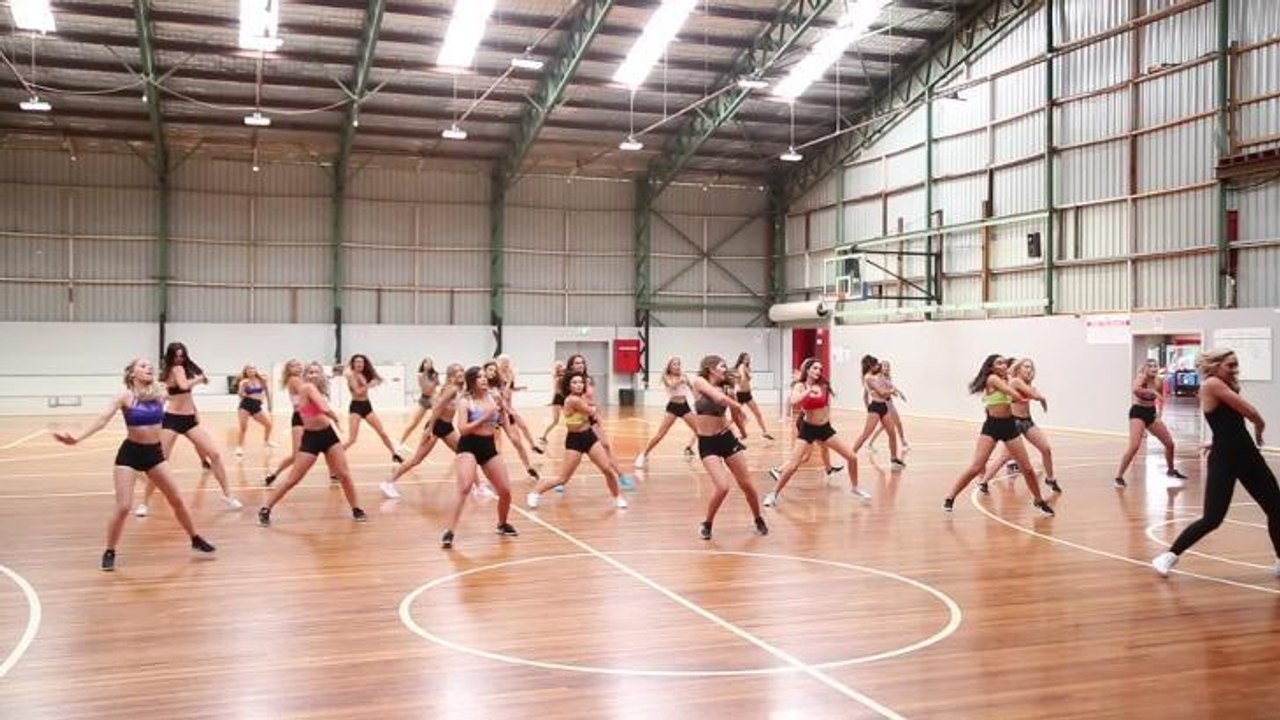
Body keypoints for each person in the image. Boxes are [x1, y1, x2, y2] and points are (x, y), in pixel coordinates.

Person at [53, 358, 216, 571]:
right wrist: (77, 438)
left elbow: (183, 388)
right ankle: (110, 550)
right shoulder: (125, 397)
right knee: (123, 506)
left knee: (176, 499)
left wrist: (200, 379)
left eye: (150, 366)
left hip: (155, 454)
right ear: (132, 374)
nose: (148, 368)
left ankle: (194, 538)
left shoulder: (160, 392)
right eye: (142, 366)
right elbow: (102, 420)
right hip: (130, 454)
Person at [1152, 349, 1280, 578]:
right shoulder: (1212, 384)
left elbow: (1228, 423)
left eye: (1236, 365)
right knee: (1213, 518)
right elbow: (1251, 413)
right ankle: (1168, 556)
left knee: (1276, 508)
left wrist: (1217, 440)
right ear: (1216, 365)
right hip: (1226, 459)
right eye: (1230, 365)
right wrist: (1260, 430)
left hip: (1247, 455)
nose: (1234, 369)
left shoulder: (1225, 384)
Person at [943, 354, 1054, 516]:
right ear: (992, 367)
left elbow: (1017, 386)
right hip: (992, 427)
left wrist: (1033, 395)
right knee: (976, 467)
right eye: (999, 363)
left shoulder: (1008, 378)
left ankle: (1038, 500)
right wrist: (1028, 397)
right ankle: (950, 497)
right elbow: (1013, 394)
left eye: (1004, 363)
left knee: (1028, 468)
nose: (1003, 365)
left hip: (1009, 426)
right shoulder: (993, 379)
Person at [257, 362, 367, 526]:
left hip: (328, 435)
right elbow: (323, 407)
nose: (312, 375)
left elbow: (321, 403)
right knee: (293, 479)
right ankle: (266, 508)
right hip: (311, 438)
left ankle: (356, 508)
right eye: (309, 372)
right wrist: (336, 418)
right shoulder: (306, 388)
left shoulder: (317, 389)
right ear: (305, 376)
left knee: (344, 474)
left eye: (316, 372)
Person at [138, 342, 240, 516]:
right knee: (159, 462)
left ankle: (228, 495)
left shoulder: (180, 370)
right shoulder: (177, 370)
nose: (179, 358)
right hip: (172, 420)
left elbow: (184, 394)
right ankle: (144, 503)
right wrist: (200, 379)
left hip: (189, 419)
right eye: (176, 356)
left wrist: (195, 412)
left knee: (214, 454)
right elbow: (184, 387)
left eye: (182, 355)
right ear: (171, 356)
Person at [764, 357, 869, 507]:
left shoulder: (824, 385)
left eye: (820, 369)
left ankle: (855, 488)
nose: (818, 371)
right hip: (808, 429)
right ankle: (773, 493)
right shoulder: (800, 386)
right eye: (815, 368)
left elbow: (825, 406)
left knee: (852, 457)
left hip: (825, 428)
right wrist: (807, 391)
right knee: (793, 465)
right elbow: (793, 401)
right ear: (807, 370)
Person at [690, 355, 768, 540]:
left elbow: (733, 412)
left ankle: (758, 519)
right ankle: (707, 523)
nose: (725, 369)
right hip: (707, 443)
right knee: (723, 487)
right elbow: (718, 398)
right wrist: (737, 405)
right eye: (722, 366)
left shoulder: (727, 388)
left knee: (747, 484)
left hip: (726, 438)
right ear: (711, 368)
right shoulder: (700, 382)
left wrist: (743, 432)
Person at [441, 366, 518, 549]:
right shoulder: (465, 401)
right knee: (465, 487)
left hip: (488, 446)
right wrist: (485, 417)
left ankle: (502, 524)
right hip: (468, 445)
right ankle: (449, 531)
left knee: (505, 490)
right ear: (471, 381)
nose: (484, 379)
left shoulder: (495, 397)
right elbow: (463, 429)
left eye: (484, 376)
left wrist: (509, 426)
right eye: (479, 377)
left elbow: (502, 417)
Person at [527, 371, 627, 509]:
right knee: (563, 479)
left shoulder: (582, 398)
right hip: (575, 440)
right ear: (569, 385)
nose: (578, 385)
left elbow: (595, 412)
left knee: (607, 470)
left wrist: (594, 409)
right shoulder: (572, 400)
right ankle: (535, 493)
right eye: (574, 382)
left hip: (589, 437)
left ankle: (617, 497)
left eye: (580, 382)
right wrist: (593, 408)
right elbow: (592, 412)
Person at [977, 358, 1060, 494]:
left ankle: (1050, 478)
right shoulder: (1014, 381)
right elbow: (1035, 395)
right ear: (1018, 368)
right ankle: (983, 482)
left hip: (1027, 422)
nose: (1029, 370)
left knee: (1046, 449)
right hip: (1013, 423)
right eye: (1026, 367)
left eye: (1031, 368)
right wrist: (1041, 399)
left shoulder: (1029, 385)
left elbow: (1035, 394)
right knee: (1004, 457)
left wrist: (1041, 399)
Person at [382, 364, 463, 499]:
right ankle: (389, 482)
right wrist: (430, 429)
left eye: (462, 370)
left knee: (464, 453)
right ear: (451, 375)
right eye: (457, 371)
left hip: (447, 427)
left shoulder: (453, 388)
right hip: (437, 426)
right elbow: (437, 407)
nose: (461, 373)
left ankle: (477, 486)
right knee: (416, 459)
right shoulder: (452, 389)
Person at [1114, 359, 1185, 487]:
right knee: (1134, 446)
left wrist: (1160, 413)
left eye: (1155, 366)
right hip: (1138, 413)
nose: (1154, 368)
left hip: (1151, 413)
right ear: (1145, 368)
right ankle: (1119, 476)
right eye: (1150, 366)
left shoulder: (1159, 380)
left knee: (1169, 443)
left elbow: (1161, 399)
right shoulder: (1141, 377)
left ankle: (1171, 470)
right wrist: (1152, 392)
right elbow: (1135, 389)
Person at [635, 356, 697, 469]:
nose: (677, 366)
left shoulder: (684, 376)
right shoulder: (666, 376)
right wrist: (680, 380)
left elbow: (692, 389)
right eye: (674, 364)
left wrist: (696, 400)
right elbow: (671, 385)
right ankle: (643, 454)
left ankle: (711, 454)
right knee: (660, 434)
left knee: (699, 430)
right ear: (669, 366)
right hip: (673, 407)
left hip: (685, 406)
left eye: (679, 364)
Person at [342, 354, 404, 463]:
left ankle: (394, 453)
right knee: (352, 439)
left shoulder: (365, 374)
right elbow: (358, 392)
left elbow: (379, 380)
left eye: (361, 362)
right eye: (357, 362)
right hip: (356, 406)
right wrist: (369, 385)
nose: (359, 364)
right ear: (353, 364)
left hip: (367, 406)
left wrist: (376, 381)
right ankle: (334, 456)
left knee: (382, 432)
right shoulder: (351, 376)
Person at [849, 355, 906, 468]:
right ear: (870, 366)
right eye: (875, 364)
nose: (877, 366)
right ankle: (850, 455)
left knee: (892, 433)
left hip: (883, 406)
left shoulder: (878, 375)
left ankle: (894, 458)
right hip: (875, 407)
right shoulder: (868, 377)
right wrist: (891, 391)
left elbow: (887, 386)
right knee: (866, 434)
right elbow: (881, 392)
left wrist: (892, 390)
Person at [263, 360, 306, 487]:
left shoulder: (301, 379)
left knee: (297, 454)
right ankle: (278, 475)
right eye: (294, 366)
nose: (298, 367)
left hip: (308, 417)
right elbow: (307, 393)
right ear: (288, 369)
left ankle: (274, 474)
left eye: (299, 365)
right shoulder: (294, 380)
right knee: (297, 454)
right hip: (301, 417)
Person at [865, 360, 909, 452]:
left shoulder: (888, 377)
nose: (887, 368)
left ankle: (903, 442)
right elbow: (883, 390)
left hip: (890, 403)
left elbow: (891, 387)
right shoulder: (878, 377)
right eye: (885, 366)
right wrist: (893, 392)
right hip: (884, 404)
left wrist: (899, 393)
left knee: (895, 423)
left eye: (888, 366)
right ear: (881, 367)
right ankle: (870, 444)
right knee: (887, 426)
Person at [397, 358, 439, 452]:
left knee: (435, 422)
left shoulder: (434, 375)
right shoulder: (420, 375)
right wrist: (429, 377)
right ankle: (400, 443)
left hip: (434, 399)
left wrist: (436, 391)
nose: (428, 365)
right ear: (423, 364)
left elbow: (435, 387)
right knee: (414, 423)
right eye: (426, 363)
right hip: (424, 399)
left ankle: (425, 442)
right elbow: (425, 387)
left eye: (430, 363)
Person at [233, 364, 275, 457]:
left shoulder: (262, 380)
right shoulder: (244, 381)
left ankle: (266, 441)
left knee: (269, 424)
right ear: (246, 372)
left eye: (253, 368)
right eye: (249, 369)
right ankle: (239, 447)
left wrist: (269, 404)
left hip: (256, 406)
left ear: (256, 370)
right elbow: (240, 394)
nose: (251, 370)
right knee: (243, 427)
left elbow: (267, 392)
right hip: (245, 405)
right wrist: (244, 393)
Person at [731, 352, 774, 440]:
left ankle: (764, 432)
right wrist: (741, 377)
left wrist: (745, 377)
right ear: (741, 359)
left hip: (747, 394)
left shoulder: (746, 368)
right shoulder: (742, 366)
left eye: (748, 358)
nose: (747, 360)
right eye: (745, 358)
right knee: (736, 416)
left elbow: (745, 379)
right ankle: (732, 432)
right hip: (740, 394)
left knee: (757, 413)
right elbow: (742, 379)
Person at [538, 361, 566, 447]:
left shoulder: (565, 375)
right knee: (555, 420)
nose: (562, 367)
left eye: (562, 366)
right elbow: (557, 390)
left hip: (563, 398)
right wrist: (554, 401)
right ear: (557, 369)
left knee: (569, 418)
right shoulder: (557, 378)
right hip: (559, 398)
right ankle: (543, 437)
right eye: (559, 366)